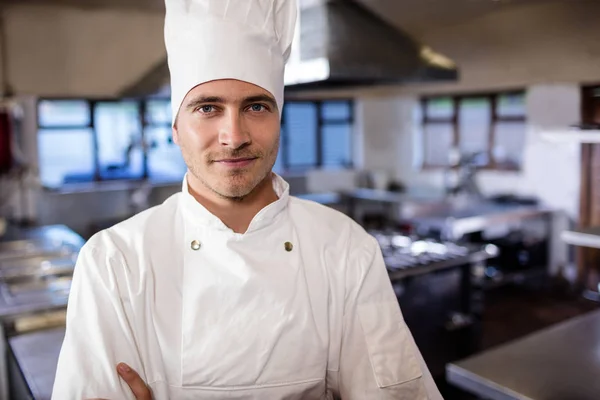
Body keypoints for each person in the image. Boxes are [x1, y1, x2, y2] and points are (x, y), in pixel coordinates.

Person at [51, 0, 443, 399]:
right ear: (175, 127)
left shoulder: (344, 249)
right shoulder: (114, 261)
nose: (233, 136)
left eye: (256, 106)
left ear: (279, 120)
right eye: (207, 108)